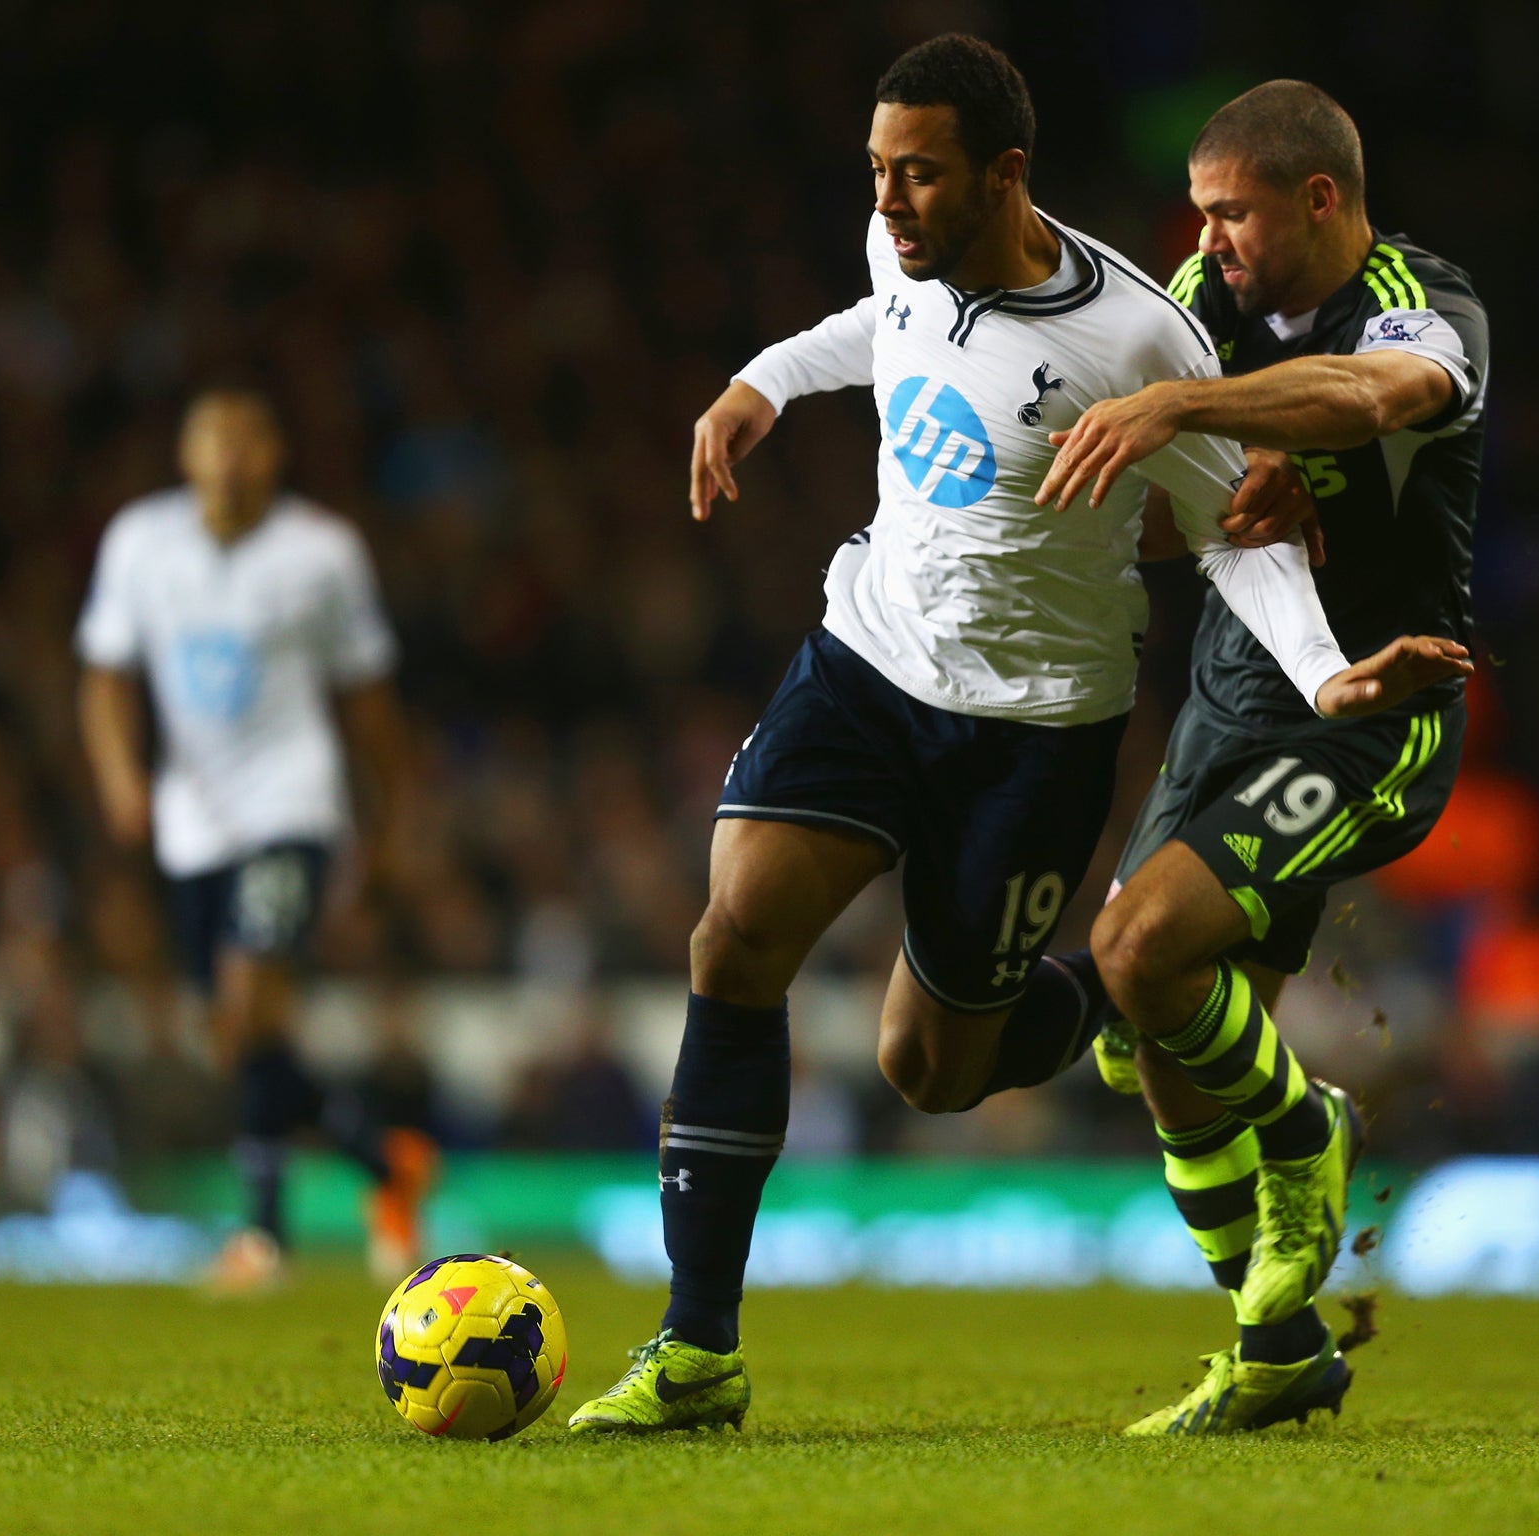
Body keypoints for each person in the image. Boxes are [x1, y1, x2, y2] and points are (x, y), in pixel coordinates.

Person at [566, 37, 1468, 1436]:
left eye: (915, 174)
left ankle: (1187, 1122)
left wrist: (1326, 664)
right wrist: (762, 384)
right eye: (876, 174)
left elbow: (1257, 514)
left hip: (1040, 727)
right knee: (734, 931)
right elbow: (875, 329)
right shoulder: (913, 255)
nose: (889, 203)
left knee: (937, 1071)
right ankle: (696, 1349)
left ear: (1004, 172)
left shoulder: (1152, 334)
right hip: (868, 657)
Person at [1032, 80, 1491, 1434]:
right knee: (1147, 1036)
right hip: (1233, 694)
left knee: (1140, 958)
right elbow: (1173, 525)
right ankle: (1278, 1350)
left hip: (1371, 712)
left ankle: (1309, 1133)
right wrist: (1202, 471)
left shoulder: (1424, 298)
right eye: (1200, 212)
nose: (1209, 237)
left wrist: (1194, 406)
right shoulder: (1200, 300)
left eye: (1231, 212)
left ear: (1321, 201)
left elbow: (1380, 392)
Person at [76, 388, 430, 1290]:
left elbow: (369, 704)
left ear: (274, 454)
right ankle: (384, 1161)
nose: (230, 459)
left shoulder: (323, 552)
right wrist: (122, 779)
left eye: (246, 441)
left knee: (248, 1001)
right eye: (212, 442)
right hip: (192, 826)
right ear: (185, 456)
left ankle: (263, 1238)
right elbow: (106, 677)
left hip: (291, 808)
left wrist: (386, 826)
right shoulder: (140, 544)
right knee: (238, 1038)